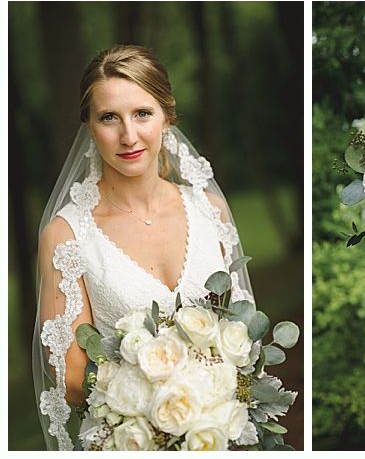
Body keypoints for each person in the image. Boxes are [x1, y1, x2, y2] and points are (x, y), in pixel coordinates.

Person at [32, 45, 254, 450]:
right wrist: (162, 417)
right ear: (89, 126)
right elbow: (72, 378)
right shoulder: (66, 236)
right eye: (109, 118)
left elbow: (242, 337)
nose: (128, 136)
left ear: (167, 116)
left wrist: (210, 409)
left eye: (142, 114)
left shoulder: (211, 212)